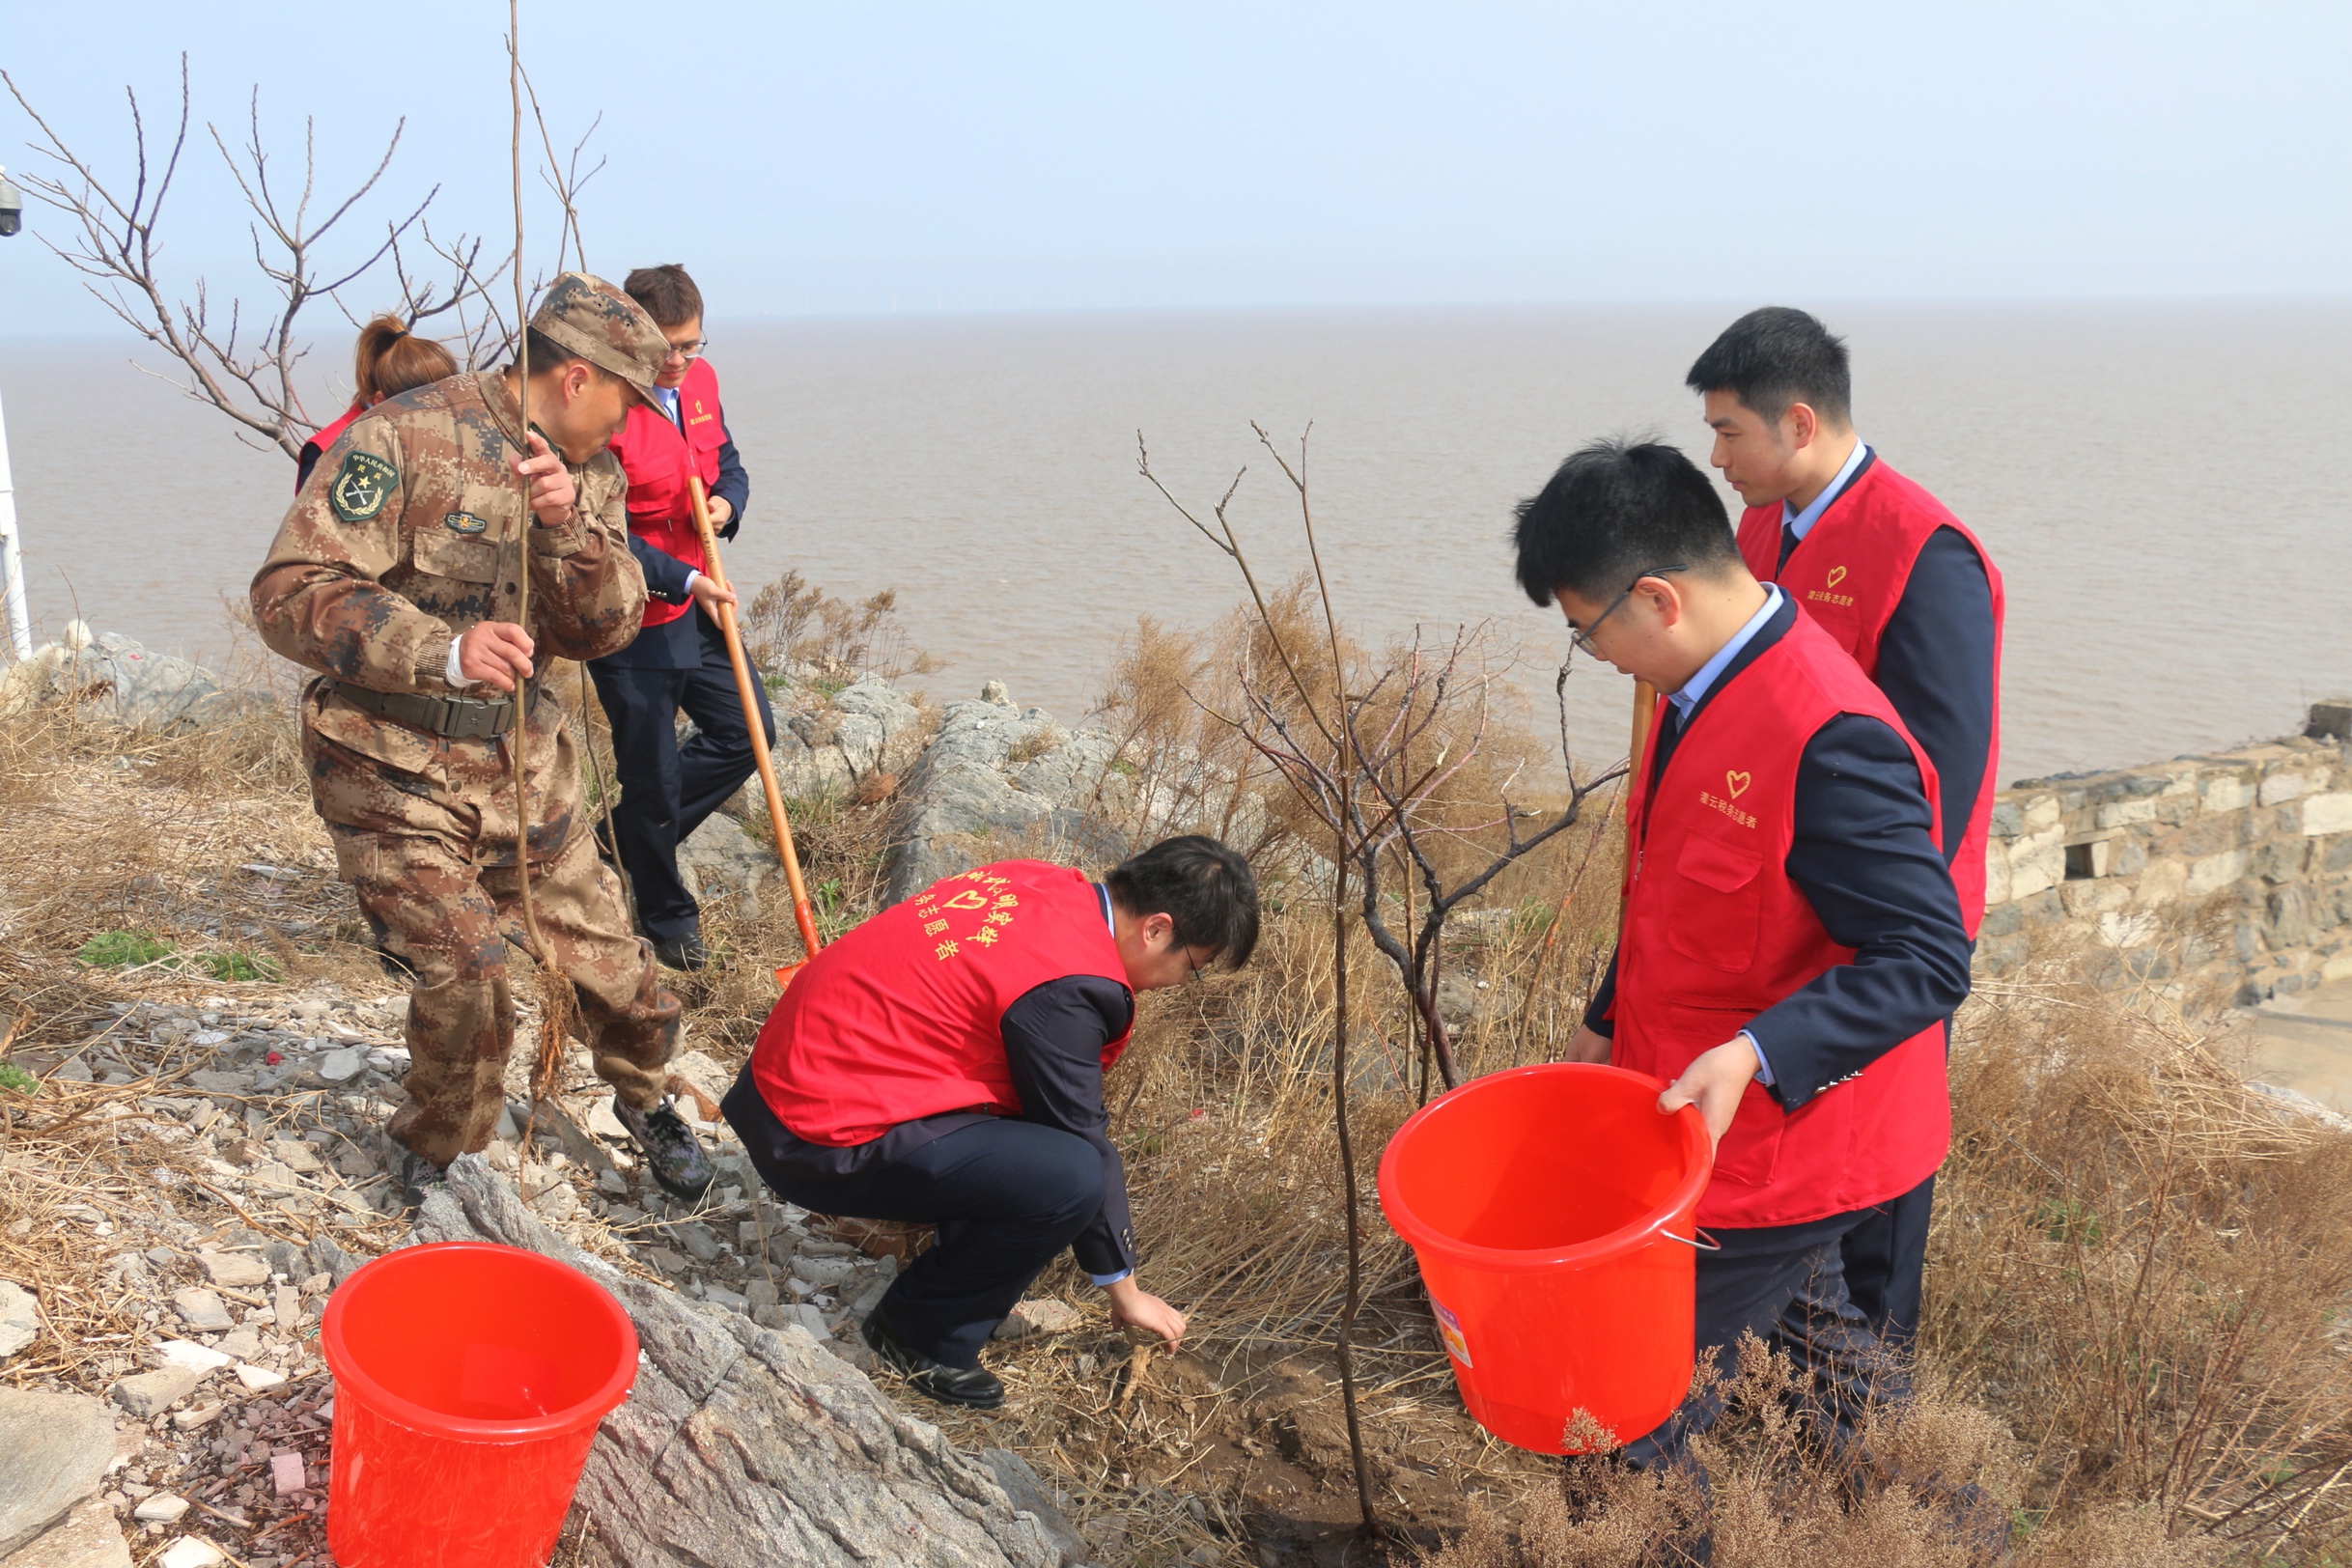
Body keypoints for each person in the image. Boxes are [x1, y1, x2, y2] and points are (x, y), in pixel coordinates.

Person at [1511, 437, 1973, 1473]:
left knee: (1614, 1406)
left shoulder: (1828, 733)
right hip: (1702, 1111)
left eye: (1589, 636)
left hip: (1787, 1134)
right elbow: (1682, 890)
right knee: (1831, 1378)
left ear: (1658, 599)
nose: (1600, 661)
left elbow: (1928, 958)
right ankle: (1947, 1530)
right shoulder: (1697, 689)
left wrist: (1759, 1053)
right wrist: (1604, 1016)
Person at [251, 271, 715, 1208]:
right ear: (577, 379)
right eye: (625, 402)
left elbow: (607, 626)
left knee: (619, 971)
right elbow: (289, 590)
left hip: (523, 764)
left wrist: (564, 534)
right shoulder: (403, 438)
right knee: (470, 979)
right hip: (390, 768)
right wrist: (443, 651)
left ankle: (645, 1096)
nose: (628, 429)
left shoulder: (587, 471)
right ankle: (444, 1159)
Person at [1686, 306, 2004, 1355]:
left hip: (1880, 922)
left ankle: (1878, 1411)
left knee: (1874, 1169)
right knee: (1789, 1153)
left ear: (1801, 422)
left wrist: (1878, 928)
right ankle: (1788, 1377)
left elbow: (1941, 782)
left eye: (1730, 432)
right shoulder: (1762, 531)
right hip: (1773, 896)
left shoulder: (1925, 550)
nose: (1717, 455)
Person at [720, 836, 1259, 1410]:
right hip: (813, 1135)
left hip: (776, 1088)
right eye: (1192, 967)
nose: (1180, 983)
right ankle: (919, 1335)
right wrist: (1124, 1289)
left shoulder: (1040, 881)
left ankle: (947, 1262)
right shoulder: (1072, 985)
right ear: (1156, 929)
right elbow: (1082, 1136)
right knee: (1070, 1175)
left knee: (1033, 1141)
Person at [588, 264, 768, 973]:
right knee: (653, 776)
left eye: (692, 344)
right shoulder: (604, 407)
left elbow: (729, 463)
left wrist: (727, 503)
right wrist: (681, 576)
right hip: (635, 610)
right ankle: (665, 914)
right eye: (668, 346)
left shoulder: (700, 382)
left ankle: (611, 846)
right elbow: (597, 534)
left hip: (702, 596)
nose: (680, 360)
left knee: (749, 730)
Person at [294, 316, 460, 491]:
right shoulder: (328, 450)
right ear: (382, 403)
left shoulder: (464, 437)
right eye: (427, 410)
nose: (442, 420)